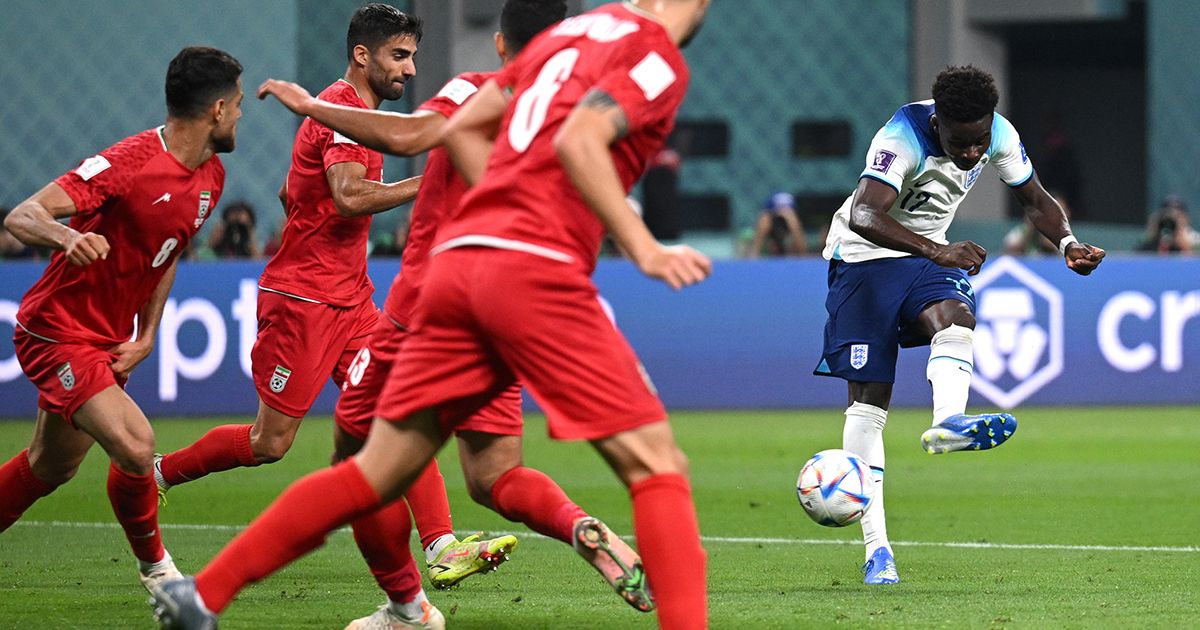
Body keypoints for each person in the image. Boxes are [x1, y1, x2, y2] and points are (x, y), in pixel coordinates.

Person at [154, 2, 713, 629]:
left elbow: (428, 134)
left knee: (372, 469)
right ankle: (429, 584)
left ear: (503, 42)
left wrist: (313, 109)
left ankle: (203, 595)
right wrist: (645, 246)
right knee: (657, 466)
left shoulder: (559, 45)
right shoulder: (654, 57)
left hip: (451, 273)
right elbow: (579, 138)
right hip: (530, 270)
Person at [150, 7, 498, 628]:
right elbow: (348, 198)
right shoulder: (341, 108)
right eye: (399, 55)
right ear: (363, 55)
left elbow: (301, 193)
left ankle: (441, 547)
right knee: (270, 444)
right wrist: (432, 179)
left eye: (413, 56)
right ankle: (160, 473)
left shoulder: (356, 114)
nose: (410, 68)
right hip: (303, 302)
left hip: (354, 300)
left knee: (402, 413)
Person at [813, 65, 1105, 585]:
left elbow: (1036, 200)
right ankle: (877, 550)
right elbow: (863, 214)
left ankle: (950, 419)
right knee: (869, 400)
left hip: (925, 260)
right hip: (861, 261)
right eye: (961, 142)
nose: (973, 153)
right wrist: (936, 248)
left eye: (979, 142)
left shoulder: (999, 134)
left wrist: (1068, 243)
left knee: (957, 316)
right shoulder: (899, 136)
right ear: (938, 121)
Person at [0, 46, 242, 597]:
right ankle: (162, 578)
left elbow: (167, 255)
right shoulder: (129, 162)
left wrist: (149, 335)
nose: (242, 115)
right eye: (241, 105)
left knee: (48, 467)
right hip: (56, 329)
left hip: (108, 341)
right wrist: (69, 236)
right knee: (136, 445)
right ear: (218, 109)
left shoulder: (211, 176)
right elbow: (23, 214)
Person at [748, 191, 807, 257]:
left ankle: (800, 252)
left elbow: (803, 253)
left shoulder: (792, 220)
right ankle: (754, 253)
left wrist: (790, 220)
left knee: (792, 221)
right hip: (771, 224)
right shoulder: (767, 220)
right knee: (764, 220)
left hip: (790, 231)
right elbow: (764, 218)